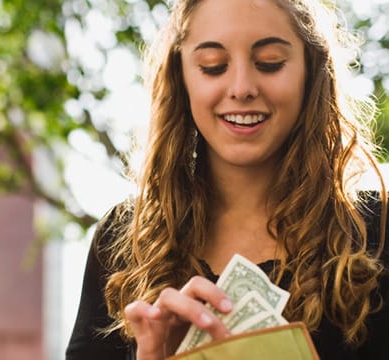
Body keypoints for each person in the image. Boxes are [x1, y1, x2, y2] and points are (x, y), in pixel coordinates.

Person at [66, 0, 389, 359]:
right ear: (182, 76)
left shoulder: (377, 232)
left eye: (270, 63)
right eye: (213, 67)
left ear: (312, 72)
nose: (241, 88)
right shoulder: (123, 240)